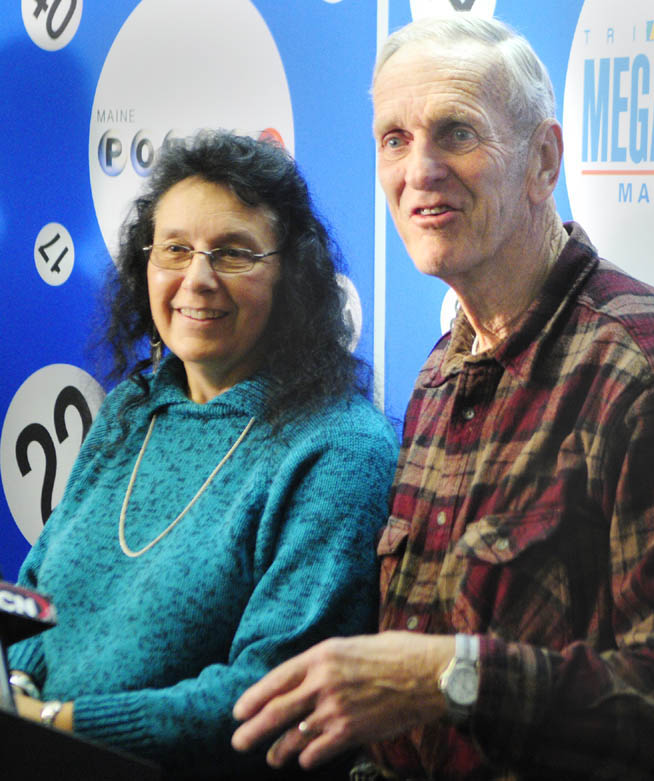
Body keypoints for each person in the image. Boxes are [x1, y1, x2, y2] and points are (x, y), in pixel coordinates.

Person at [230, 15, 654, 781]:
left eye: (456, 133)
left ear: (543, 160)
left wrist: (452, 677)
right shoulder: (442, 367)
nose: (419, 171)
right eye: (394, 139)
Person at [7, 130, 398, 779]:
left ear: (293, 274)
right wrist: (14, 687)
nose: (197, 279)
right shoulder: (131, 411)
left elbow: (271, 692)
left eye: (233, 253)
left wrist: (58, 723)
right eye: (175, 249)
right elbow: (34, 597)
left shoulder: (339, 448)